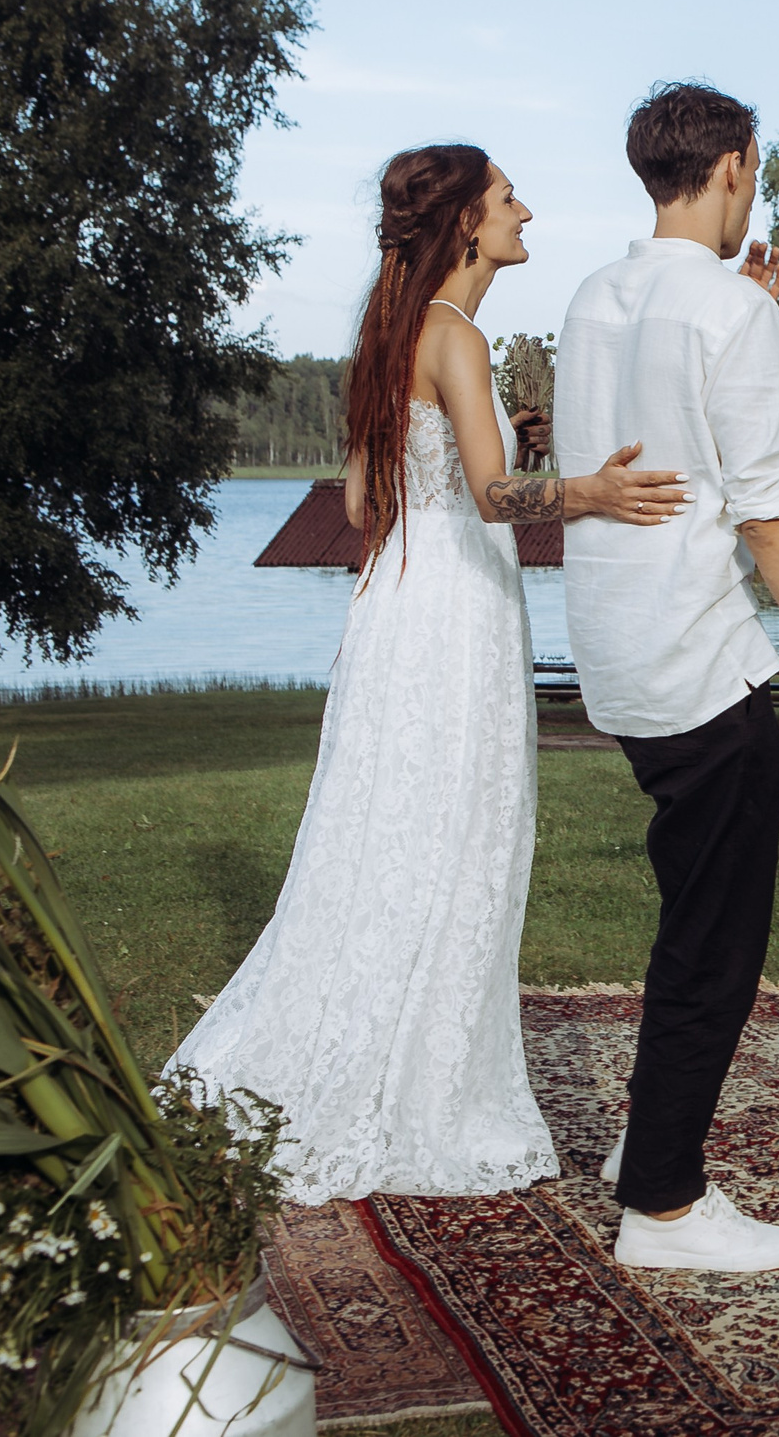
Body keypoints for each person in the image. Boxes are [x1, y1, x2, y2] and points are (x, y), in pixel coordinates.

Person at [174, 144, 687, 1204]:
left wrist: (501, 445)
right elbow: (496, 503)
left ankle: (365, 1044)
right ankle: (425, 1091)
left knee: (389, 830)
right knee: (462, 834)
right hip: (453, 614)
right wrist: (584, 492)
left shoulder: (390, 333)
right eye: (508, 199)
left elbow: (365, 509)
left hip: (394, 612)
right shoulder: (455, 335)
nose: (524, 211)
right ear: (464, 223)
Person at [558, 83, 779, 1274]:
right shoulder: (733, 318)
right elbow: (770, 513)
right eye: (757, 162)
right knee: (715, 941)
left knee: (687, 908)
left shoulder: (595, 295)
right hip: (699, 664)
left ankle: (650, 1136)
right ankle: (662, 1208)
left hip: (616, 650)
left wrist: (746, 315)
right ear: (737, 167)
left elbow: (651, 424)